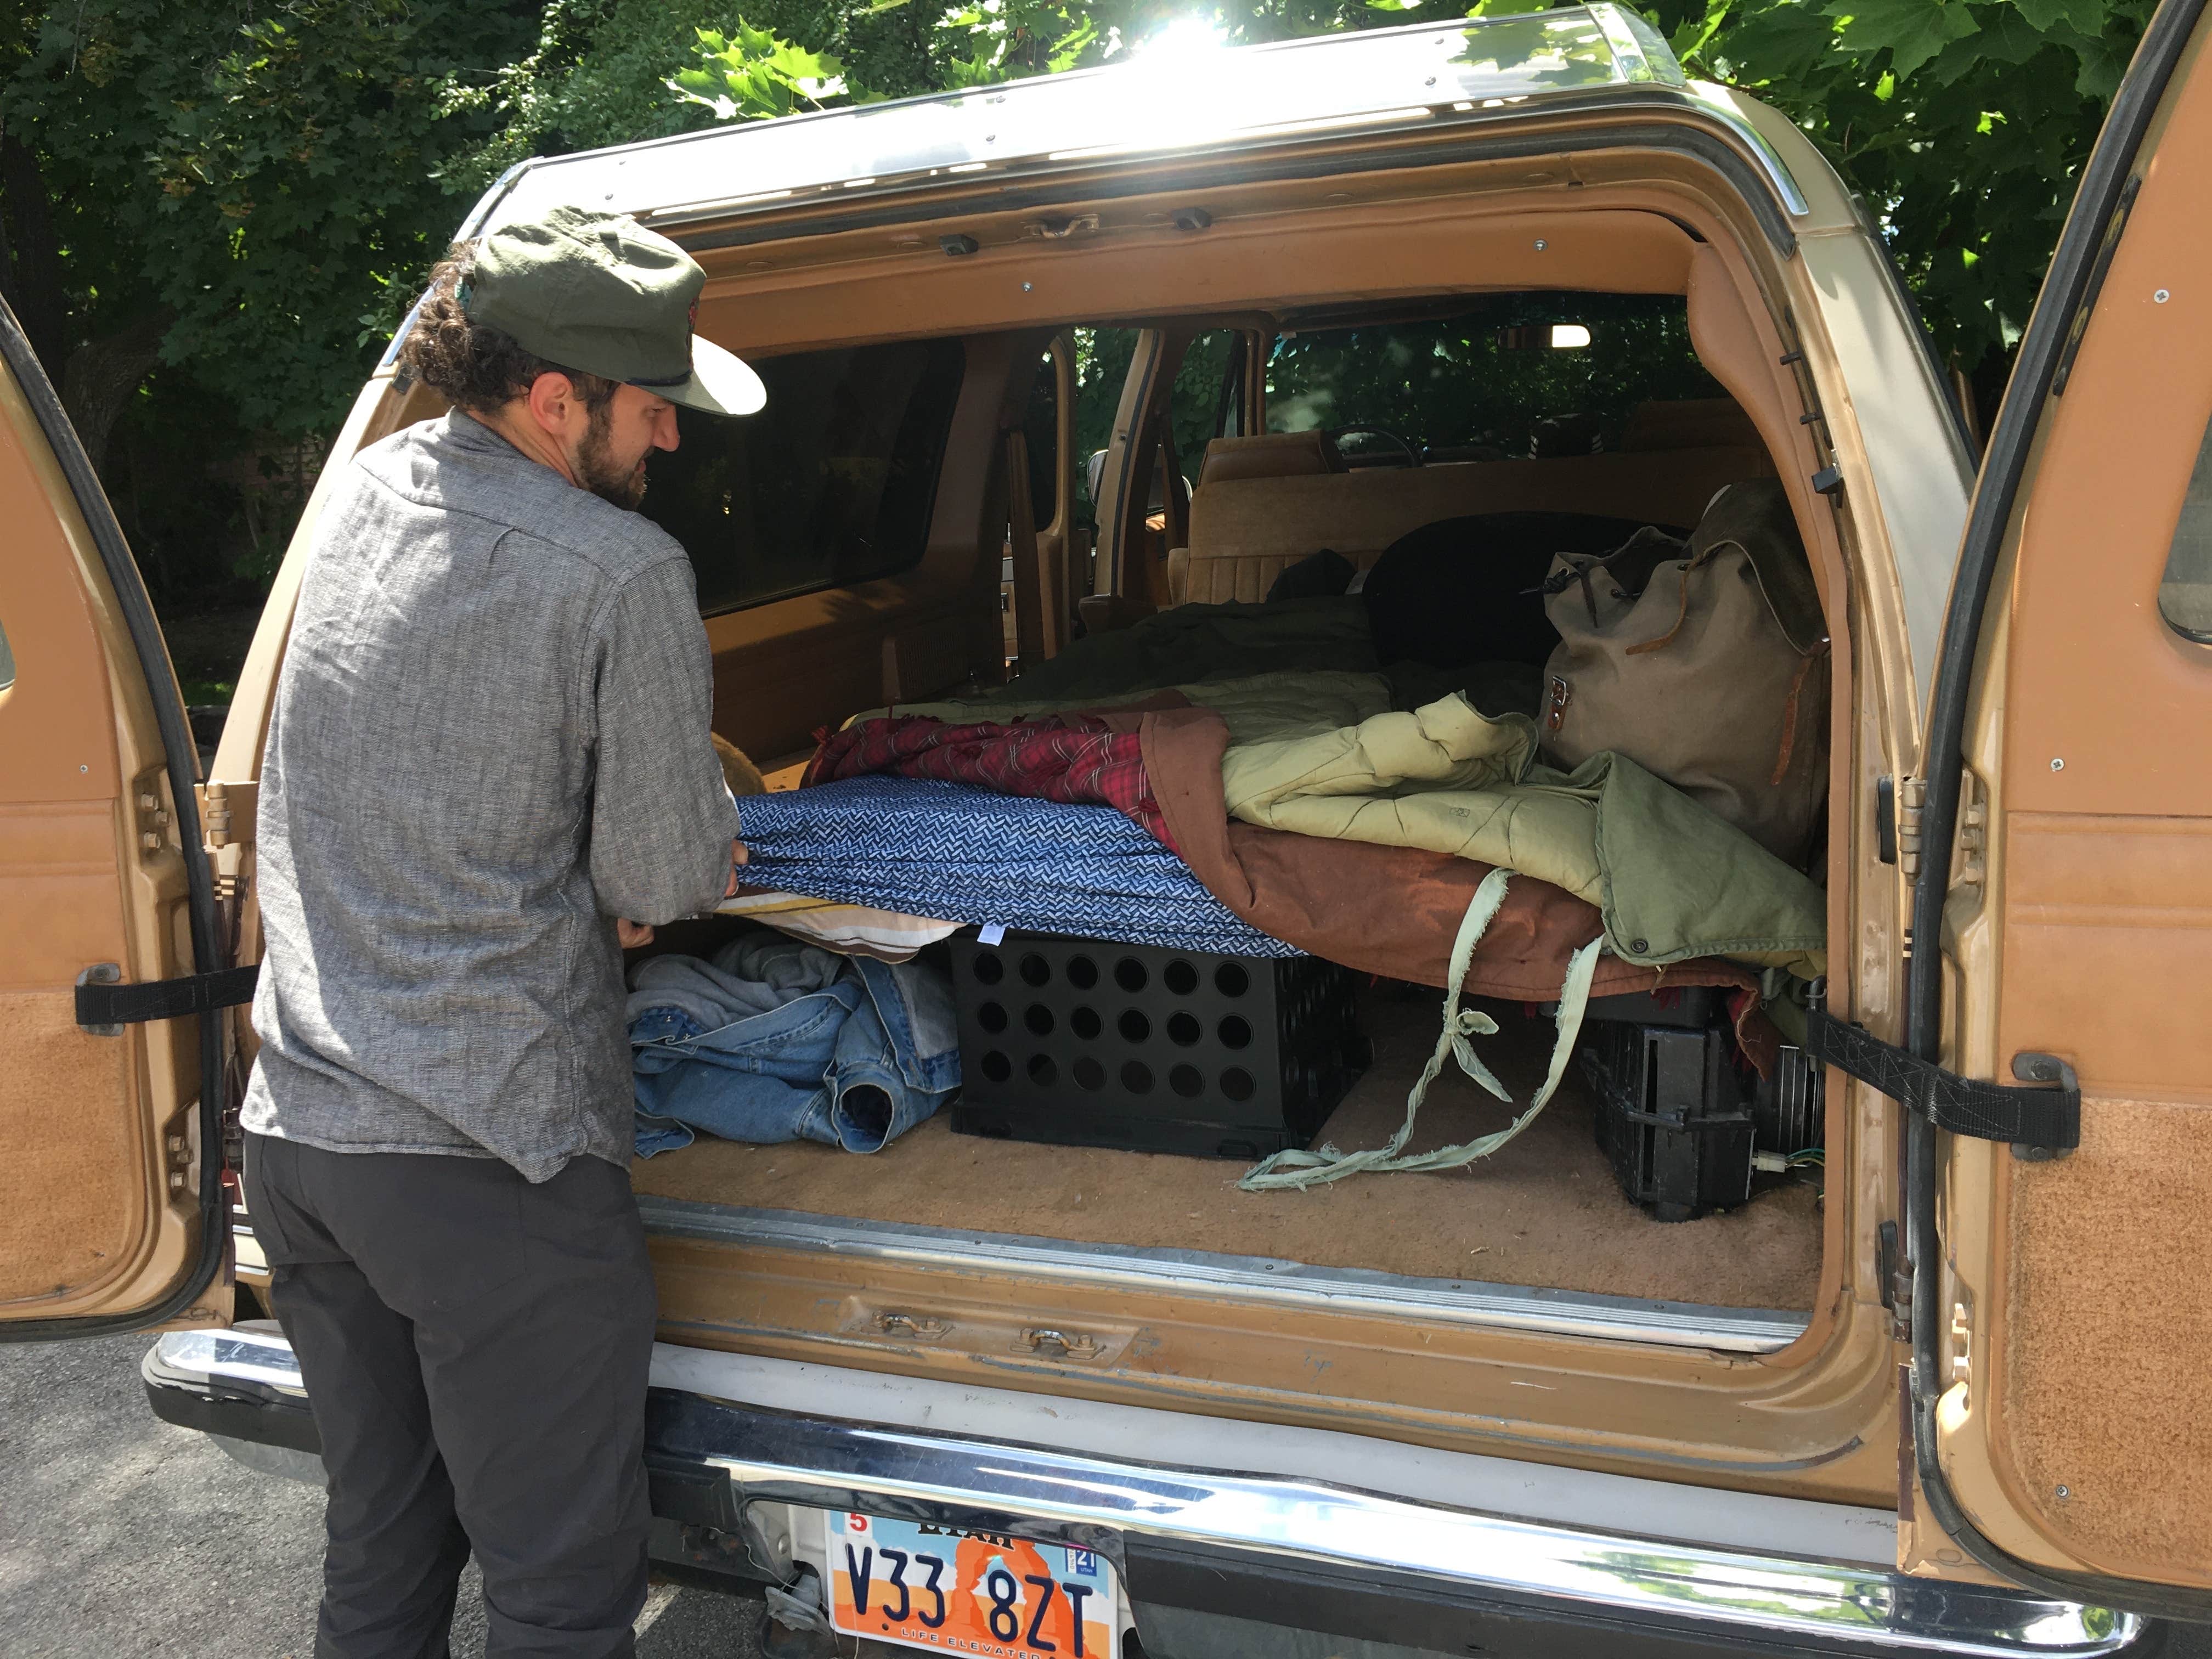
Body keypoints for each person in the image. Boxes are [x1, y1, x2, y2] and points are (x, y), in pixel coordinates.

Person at [238, 204, 760, 1659]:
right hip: (493, 1165)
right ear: (554, 401)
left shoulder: (365, 487)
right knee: (558, 1599)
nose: (670, 437)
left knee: (381, 1556)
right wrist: (683, 844)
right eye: (652, 407)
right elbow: (666, 873)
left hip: (301, 1139)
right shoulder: (623, 570)